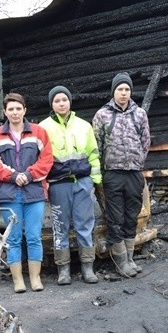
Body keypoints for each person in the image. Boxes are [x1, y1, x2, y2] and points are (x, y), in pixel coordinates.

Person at [0, 93, 53, 293]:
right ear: (5, 112)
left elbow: (46, 159)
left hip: (34, 193)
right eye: (11, 109)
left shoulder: (39, 132)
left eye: (18, 108)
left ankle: (35, 278)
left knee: (34, 236)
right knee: (13, 238)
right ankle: (18, 280)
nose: (15, 112)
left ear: (25, 110)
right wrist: (13, 176)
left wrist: (30, 175)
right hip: (9, 193)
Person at [39, 86, 101, 285]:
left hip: (82, 182)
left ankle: (87, 267)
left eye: (64, 99)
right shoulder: (43, 127)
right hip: (58, 184)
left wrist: (94, 180)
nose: (61, 103)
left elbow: (93, 153)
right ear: (52, 104)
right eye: (57, 100)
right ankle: (63, 269)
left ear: (70, 102)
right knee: (60, 226)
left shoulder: (84, 126)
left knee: (85, 224)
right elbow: (40, 158)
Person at [92, 72, 151, 277]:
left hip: (134, 173)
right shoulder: (102, 115)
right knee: (115, 218)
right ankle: (120, 262)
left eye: (127, 89)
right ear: (113, 92)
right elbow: (96, 145)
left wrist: (137, 162)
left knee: (131, 217)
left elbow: (146, 142)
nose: (124, 93)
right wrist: (100, 171)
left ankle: (130, 258)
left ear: (130, 92)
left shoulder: (140, 114)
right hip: (112, 174)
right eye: (120, 89)